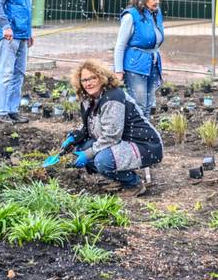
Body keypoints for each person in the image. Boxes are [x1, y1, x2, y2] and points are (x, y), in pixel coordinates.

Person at [63, 58, 163, 195]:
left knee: (102, 160)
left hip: (144, 145)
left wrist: (88, 154)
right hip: (122, 142)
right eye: (84, 80)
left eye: (93, 78)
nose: (88, 83)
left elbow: (111, 136)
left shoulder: (113, 97)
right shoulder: (88, 99)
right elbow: (89, 125)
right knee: (82, 147)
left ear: (102, 78)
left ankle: (133, 184)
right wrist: (74, 137)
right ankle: (119, 179)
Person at [114, 0, 164, 119]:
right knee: (139, 105)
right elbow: (120, 45)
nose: (157, 1)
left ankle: (145, 136)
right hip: (135, 66)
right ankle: (135, 136)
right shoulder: (131, 16)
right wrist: (119, 70)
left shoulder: (155, 13)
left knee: (149, 105)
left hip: (152, 64)